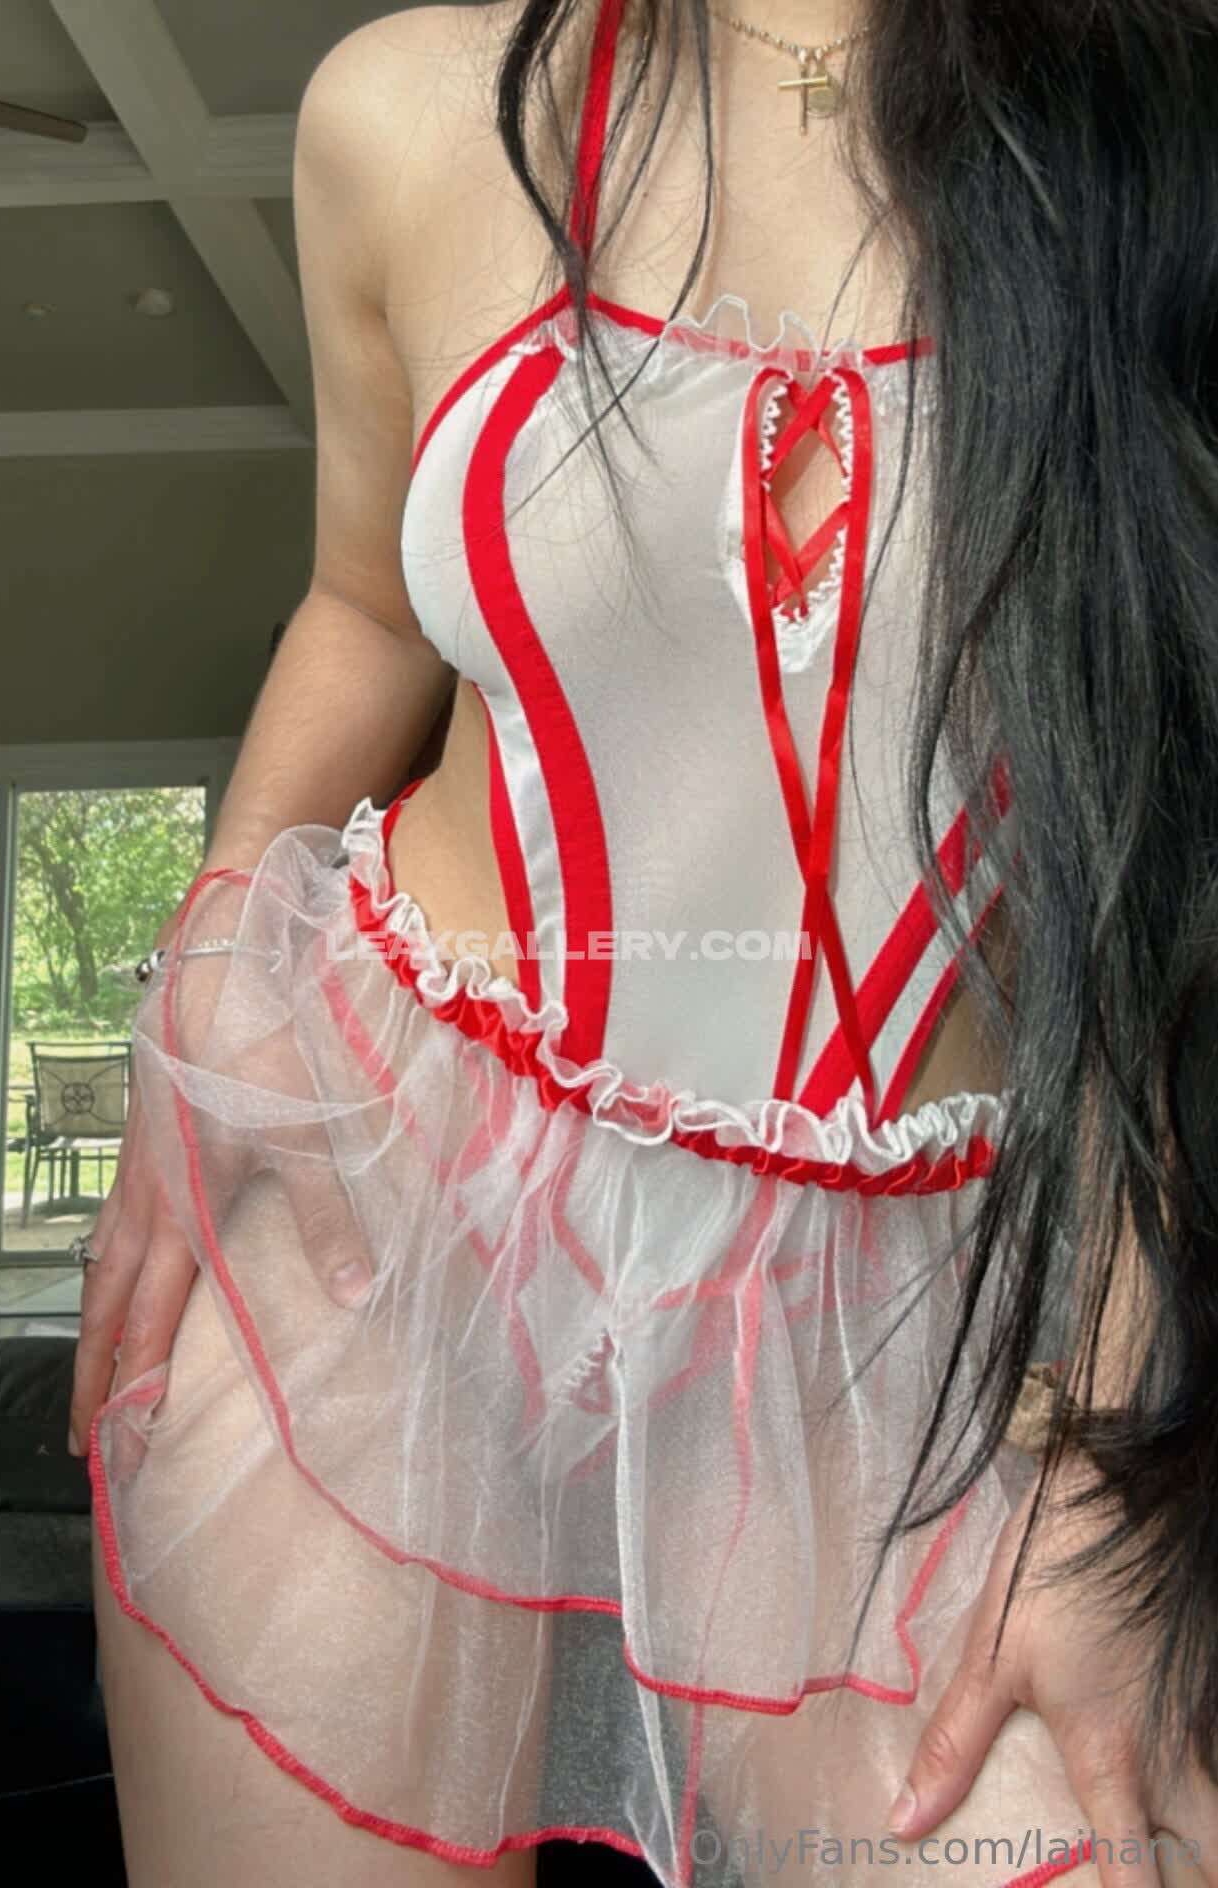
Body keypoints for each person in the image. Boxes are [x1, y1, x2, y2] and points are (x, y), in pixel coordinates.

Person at [66, 0, 1218, 1881]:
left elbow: (1175, 863)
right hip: (393, 1196)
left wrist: (1101, 1458)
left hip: (930, 1314)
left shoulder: (1163, 120)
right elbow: (364, 605)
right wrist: (212, 956)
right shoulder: (404, 112)